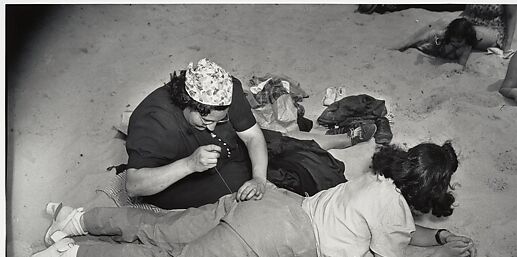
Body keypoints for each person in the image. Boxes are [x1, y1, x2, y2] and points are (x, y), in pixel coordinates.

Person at [21, 142, 476, 257]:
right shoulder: (394, 213)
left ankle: (79, 220)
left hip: (272, 203)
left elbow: (392, 229)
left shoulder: (377, 181)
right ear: (430, 191)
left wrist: (433, 237)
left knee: (164, 226)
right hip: (279, 240)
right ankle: (75, 256)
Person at [125, 58, 376, 209]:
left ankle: (339, 139)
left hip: (228, 150)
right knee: (265, 192)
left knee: (280, 144)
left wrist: (258, 177)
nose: (213, 126)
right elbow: (134, 186)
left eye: (220, 120)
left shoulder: (228, 91)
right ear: (187, 103)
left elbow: (253, 136)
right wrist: (189, 164)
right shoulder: (153, 120)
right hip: (185, 179)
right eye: (205, 121)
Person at [392, 4, 517, 58]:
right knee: (442, 22)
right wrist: (456, 21)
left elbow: (511, 17)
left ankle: (431, 45)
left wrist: (507, 46)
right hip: (469, 19)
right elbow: (467, 10)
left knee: (465, 32)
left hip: (493, 28)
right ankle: (406, 43)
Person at [403, 18, 479, 67]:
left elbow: (462, 64)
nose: (455, 43)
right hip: (434, 48)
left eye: (459, 41)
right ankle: (406, 45)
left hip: (439, 54)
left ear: (467, 38)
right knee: (424, 41)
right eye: (453, 41)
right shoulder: (446, 36)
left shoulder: (466, 48)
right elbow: (435, 42)